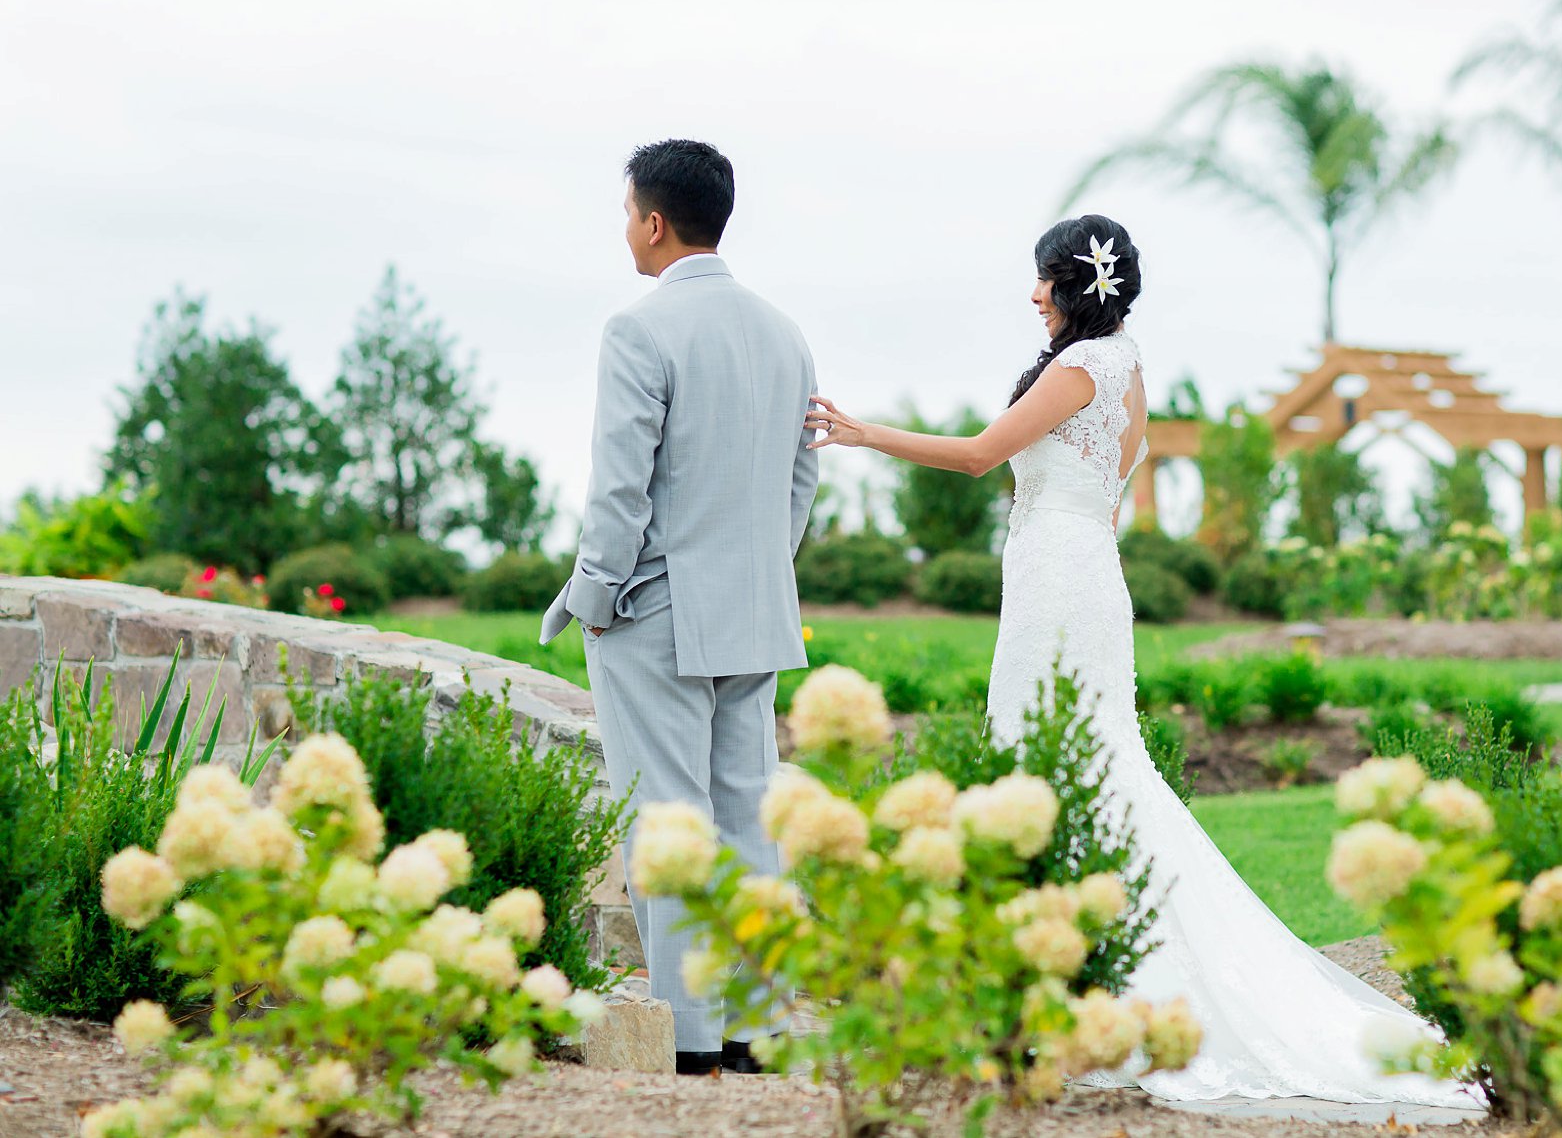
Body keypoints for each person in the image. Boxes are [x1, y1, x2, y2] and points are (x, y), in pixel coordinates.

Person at [804, 216, 1479, 1108]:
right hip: (1085, 574)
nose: (1034, 293)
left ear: (1078, 284)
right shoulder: (1128, 368)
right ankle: (1071, 980)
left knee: (1057, 767)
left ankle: (1088, 987)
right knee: (1084, 769)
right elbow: (1105, 493)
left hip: (1059, 580)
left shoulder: (1085, 368)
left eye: (1045, 279)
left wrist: (863, 434)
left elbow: (978, 457)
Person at [542, 139, 818, 1077]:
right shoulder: (786, 333)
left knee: (669, 816)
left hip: (655, 613)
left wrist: (590, 597)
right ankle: (760, 1026)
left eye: (627, 213)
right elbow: (801, 471)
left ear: (655, 222)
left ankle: (692, 1035)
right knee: (747, 817)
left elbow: (619, 490)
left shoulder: (639, 329)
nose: (626, 230)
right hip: (756, 611)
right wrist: (759, 565)